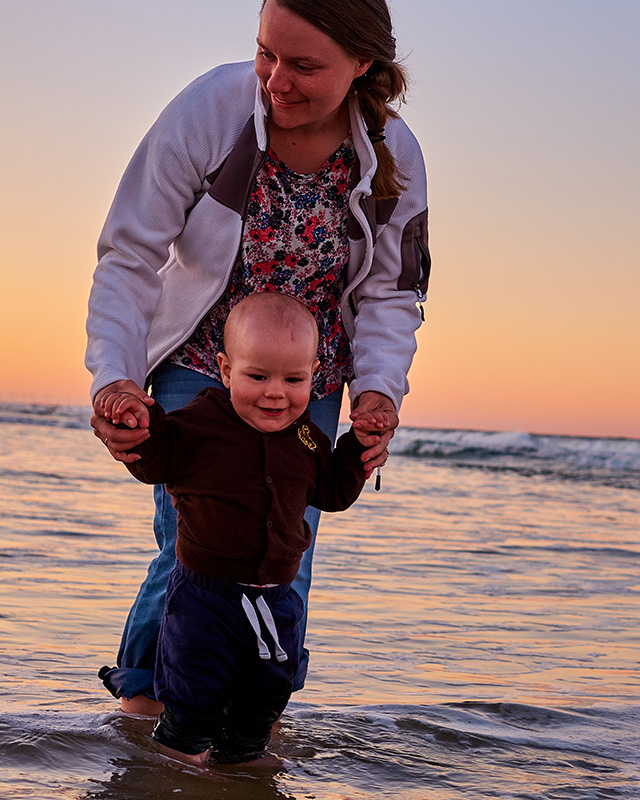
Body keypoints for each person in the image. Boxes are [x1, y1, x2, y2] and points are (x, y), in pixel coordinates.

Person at [87, 0, 431, 716]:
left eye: (304, 65)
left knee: (285, 559)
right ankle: (151, 709)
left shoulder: (397, 155)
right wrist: (115, 377)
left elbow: (394, 295)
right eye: (266, 54)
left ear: (362, 65)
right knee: (193, 543)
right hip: (202, 364)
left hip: (312, 380)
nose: (276, 80)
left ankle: (250, 725)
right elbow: (130, 253)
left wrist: (378, 393)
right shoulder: (210, 109)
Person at [99, 293, 385, 765]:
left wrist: (358, 448)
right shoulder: (199, 423)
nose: (276, 392)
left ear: (314, 373)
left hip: (276, 600)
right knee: (194, 695)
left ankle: (244, 763)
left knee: (265, 698)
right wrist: (134, 419)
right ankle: (176, 764)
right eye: (258, 376)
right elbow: (156, 459)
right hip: (203, 600)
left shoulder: (309, 437)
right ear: (226, 370)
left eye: (294, 379)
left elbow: (332, 494)